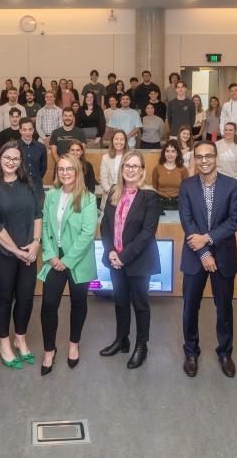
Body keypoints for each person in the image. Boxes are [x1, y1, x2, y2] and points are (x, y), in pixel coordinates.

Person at [179, 140, 237, 378]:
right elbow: (187, 222)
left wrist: (206, 239)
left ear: (216, 157)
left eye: (208, 156)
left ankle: (225, 353)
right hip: (195, 257)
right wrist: (204, 253)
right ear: (194, 159)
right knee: (190, 308)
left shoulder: (232, 185)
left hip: (223, 256)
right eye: (199, 157)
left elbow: (234, 221)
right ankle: (191, 353)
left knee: (224, 308)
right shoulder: (187, 186)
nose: (204, 160)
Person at [0, 143, 42, 369]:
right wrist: (17, 251)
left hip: (28, 250)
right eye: (7, 157)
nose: (11, 162)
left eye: (15, 159)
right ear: (0, 158)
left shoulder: (28, 183)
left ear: (20, 162)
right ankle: (4, 344)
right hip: (0, 251)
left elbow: (37, 214)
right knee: (4, 297)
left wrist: (36, 243)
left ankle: (20, 339)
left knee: (25, 297)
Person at [98, 150, 160, 368]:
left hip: (138, 261)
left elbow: (147, 233)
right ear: (121, 169)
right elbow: (105, 226)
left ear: (142, 170)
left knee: (140, 305)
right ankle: (121, 340)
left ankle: (141, 346)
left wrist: (123, 257)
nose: (131, 170)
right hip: (115, 259)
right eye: (127, 165)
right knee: (120, 302)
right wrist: (111, 251)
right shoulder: (114, 193)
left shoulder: (150, 196)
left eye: (135, 166)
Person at [38, 155, 98, 375]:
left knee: (78, 303)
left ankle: (74, 344)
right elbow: (45, 226)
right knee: (48, 304)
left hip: (78, 259)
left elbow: (87, 234)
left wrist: (67, 261)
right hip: (54, 257)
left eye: (69, 169)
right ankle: (49, 350)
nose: (65, 173)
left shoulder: (88, 198)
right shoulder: (51, 195)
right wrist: (50, 255)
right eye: (61, 169)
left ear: (77, 171)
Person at [152, 140, 188, 210]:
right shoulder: (157, 168)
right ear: (164, 153)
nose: (170, 154)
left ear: (177, 154)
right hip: (160, 202)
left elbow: (186, 188)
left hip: (178, 203)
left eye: (173, 151)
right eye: (167, 151)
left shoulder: (183, 169)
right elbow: (155, 187)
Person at [18, 118, 47, 197]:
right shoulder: (14, 147)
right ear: (20, 131)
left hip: (37, 187)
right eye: (24, 130)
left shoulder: (41, 147)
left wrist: (36, 178)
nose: (28, 132)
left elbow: (43, 168)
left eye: (30, 129)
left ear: (33, 130)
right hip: (19, 186)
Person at [100, 130, 128, 197]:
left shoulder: (130, 157)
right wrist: (112, 194)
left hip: (127, 194)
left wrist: (125, 194)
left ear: (125, 142)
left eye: (122, 139)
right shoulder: (105, 158)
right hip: (109, 194)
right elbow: (103, 179)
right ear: (112, 141)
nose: (119, 141)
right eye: (116, 139)